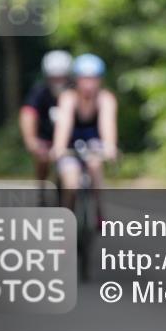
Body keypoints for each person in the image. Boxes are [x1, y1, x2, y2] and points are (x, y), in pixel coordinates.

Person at [50, 53, 118, 212]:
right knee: (71, 182)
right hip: (70, 143)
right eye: (84, 79)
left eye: (93, 79)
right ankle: (67, 214)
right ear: (77, 80)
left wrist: (110, 146)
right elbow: (63, 125)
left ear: (100, 80)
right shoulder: (68, 98)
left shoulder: (105, 98)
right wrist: (59, 147)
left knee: (95, 165)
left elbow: (107, 124)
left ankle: (98, 208)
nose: (89, 84)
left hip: (93, 142)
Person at [20, 50, 73, 187]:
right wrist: (31, 140)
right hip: (46, 138)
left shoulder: (75, 91)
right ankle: (42, 189)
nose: (58, 82)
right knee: (42, 161)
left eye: (61, 77)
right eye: (54, 78)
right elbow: (28, 113)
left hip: (71, 139)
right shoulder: (40, 91)